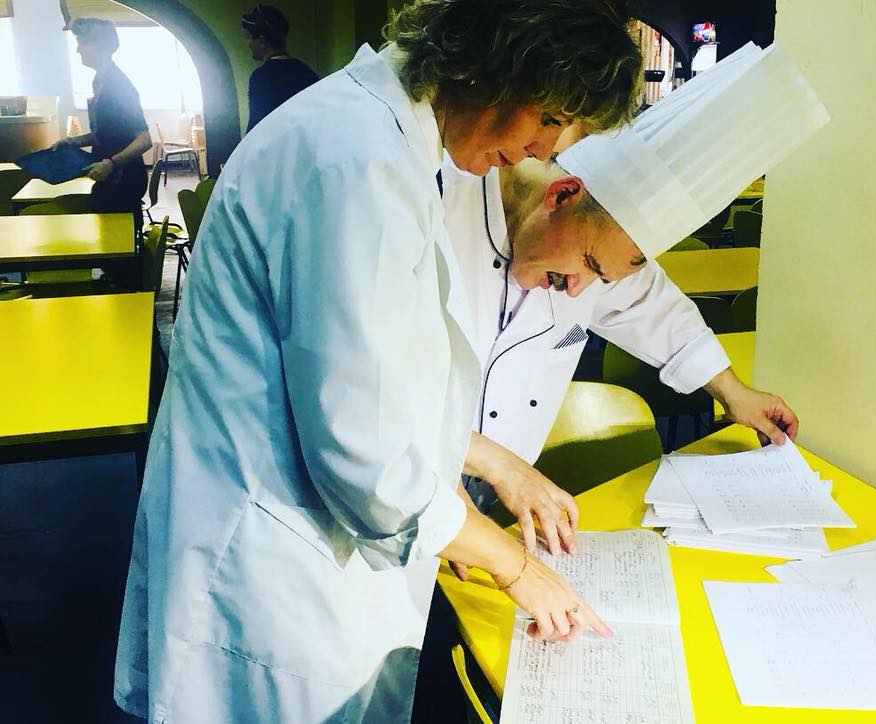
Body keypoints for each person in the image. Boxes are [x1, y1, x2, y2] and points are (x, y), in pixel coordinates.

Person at [113, 1, 643, 722]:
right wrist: (515, 565)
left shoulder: (383, 137)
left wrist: (492, 462)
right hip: (270, 560)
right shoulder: (356, 161)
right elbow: (368, 456)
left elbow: (377, 374)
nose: (539, 150)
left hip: (293, 538)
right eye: (548, 118)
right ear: (492, 63)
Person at [439, 41, 828, 557]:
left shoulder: (594, 253)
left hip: (497, 505)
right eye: (588, 263)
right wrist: (450, 491)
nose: (579, 289)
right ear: (563, 195)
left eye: (603, 278)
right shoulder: (440, 201)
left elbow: (659, 311)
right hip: (407, 484)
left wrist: (734, 393)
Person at [52, 18, 152, 232]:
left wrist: (110, 164)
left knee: (120, 245)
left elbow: (144, 140)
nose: (78, 49)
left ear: (99, 46)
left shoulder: (119, 85)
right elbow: (104, 133)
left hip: (123, 180)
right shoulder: (99, 81)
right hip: (108, 177)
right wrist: (72, 142)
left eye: (82, 43)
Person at [241, 4, 319, 132]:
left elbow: (256, 130)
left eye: (248, 37)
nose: (247, 43)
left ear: (262, 42)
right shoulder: (307, 72)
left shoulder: (261, 77)